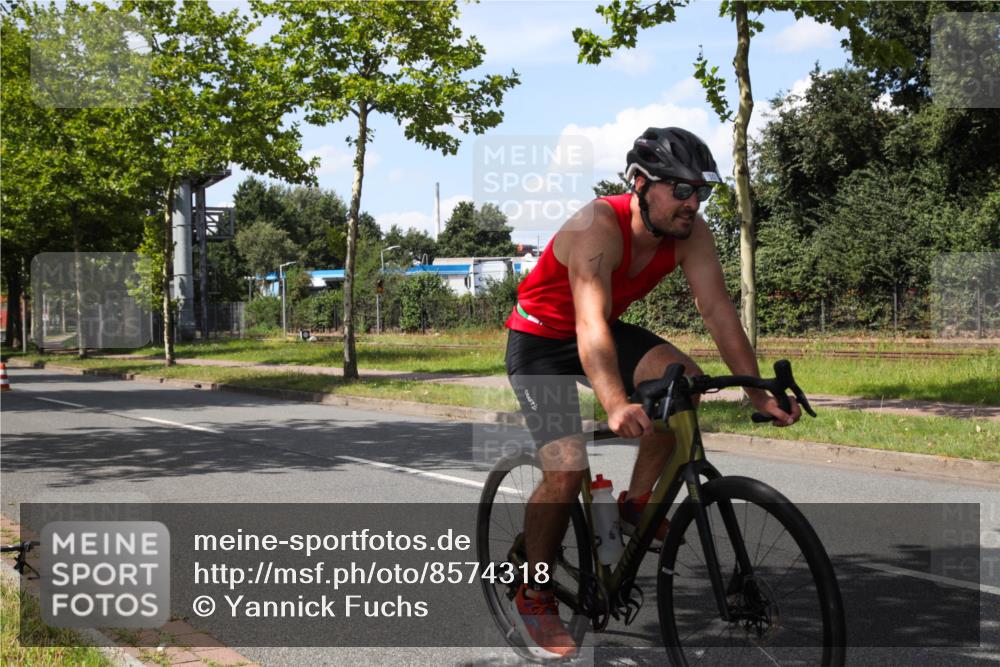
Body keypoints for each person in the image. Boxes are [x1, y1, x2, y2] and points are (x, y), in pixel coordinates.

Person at [503, 127, 801, 660]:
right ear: (640, 184)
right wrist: (616, 404)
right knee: (566, 468)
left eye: (701, 191)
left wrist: (756, 393)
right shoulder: (598, 226)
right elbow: (589, 325)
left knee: (680, 384)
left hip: (600, 331)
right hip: (541, 339)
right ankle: (535, 589)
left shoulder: (692, 233)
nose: (693, 203)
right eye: (681, 190)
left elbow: (718, 312)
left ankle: (636, 506)